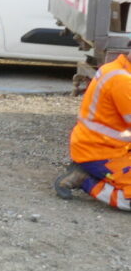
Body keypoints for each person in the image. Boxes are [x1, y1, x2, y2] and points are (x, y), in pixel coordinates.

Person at [54, 52, 131, 211]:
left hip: (100, 146)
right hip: (100, 153)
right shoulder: (122, 81)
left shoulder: (114, 69)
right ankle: (86, 181)